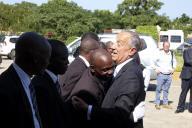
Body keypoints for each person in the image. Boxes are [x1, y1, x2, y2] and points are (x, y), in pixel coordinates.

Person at [72, 31, 146, 128]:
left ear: (131, 51)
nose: (113, 47)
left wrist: (88, 109)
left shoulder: (131, 75)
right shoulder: (120, 67)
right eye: (115, 42)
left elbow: (120, 113)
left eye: (119, 44)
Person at [0, 32, 51, 128]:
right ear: (36, 59)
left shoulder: (28, 83)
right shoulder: (5, 88)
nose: (48, 63)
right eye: (47, 58)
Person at [32, 39, 71, 128]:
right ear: (49, 60)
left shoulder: (54, 80)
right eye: (63, 59)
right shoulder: (40, 86)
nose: (67, 62)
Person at [152, 41, 177, 110]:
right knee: (159, 89)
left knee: (166, 90)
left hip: (169, 75)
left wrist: (173, 69)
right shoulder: (159, 53)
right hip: (161, 75)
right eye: (165, 46)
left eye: (168, 46)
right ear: (163, 46)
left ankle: (165, 104)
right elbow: (152, 62)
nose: (166, 47)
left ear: (169, 46)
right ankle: (157, 103)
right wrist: (156, 69)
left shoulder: (171, 53)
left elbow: (174, 61)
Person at [175, 47, 192, 113]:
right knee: (184, 92)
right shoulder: (186, 51)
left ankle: (191, 108)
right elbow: (187, 61)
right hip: (186, 75)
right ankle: (180, 107)